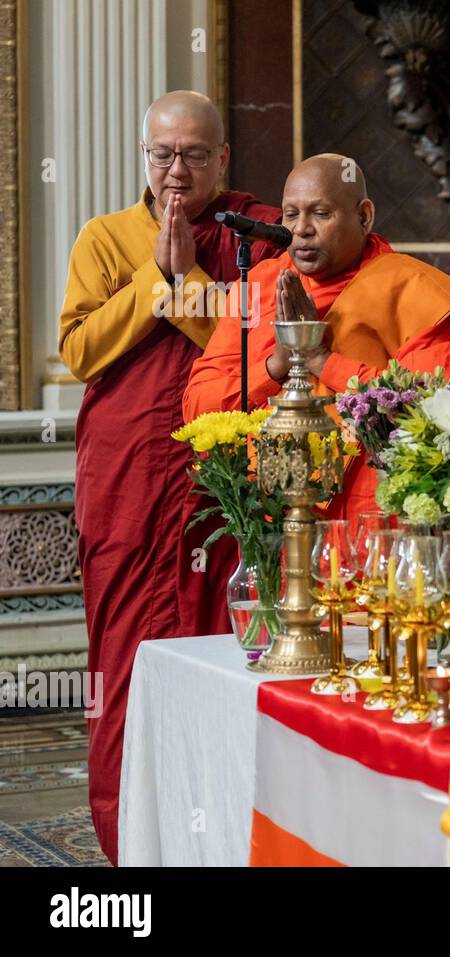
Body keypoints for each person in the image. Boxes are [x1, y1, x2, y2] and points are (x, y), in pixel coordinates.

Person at [58, 90, 282, 865]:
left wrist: (187, 280)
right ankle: (130, 845)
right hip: (126, 480)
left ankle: (217, 835)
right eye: (162, 154)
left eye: (193, 154)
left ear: (223, 158)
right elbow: (81, 351)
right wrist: (161, 277)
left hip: (218, 481)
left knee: (219, 649)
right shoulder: (106, 237)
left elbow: (254, 334)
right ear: (143, 159)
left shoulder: (253, 237)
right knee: (123, 659)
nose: (176, 170)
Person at [184, 153, 450, 520]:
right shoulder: (260, 286)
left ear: (364, 216)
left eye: (320, 213)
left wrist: (321, 361)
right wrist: (278, 365)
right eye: (291, 214)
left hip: (376, 522)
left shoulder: (419, 294)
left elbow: (438, 419)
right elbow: (198, 408)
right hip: (272, 525)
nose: (301, 229)